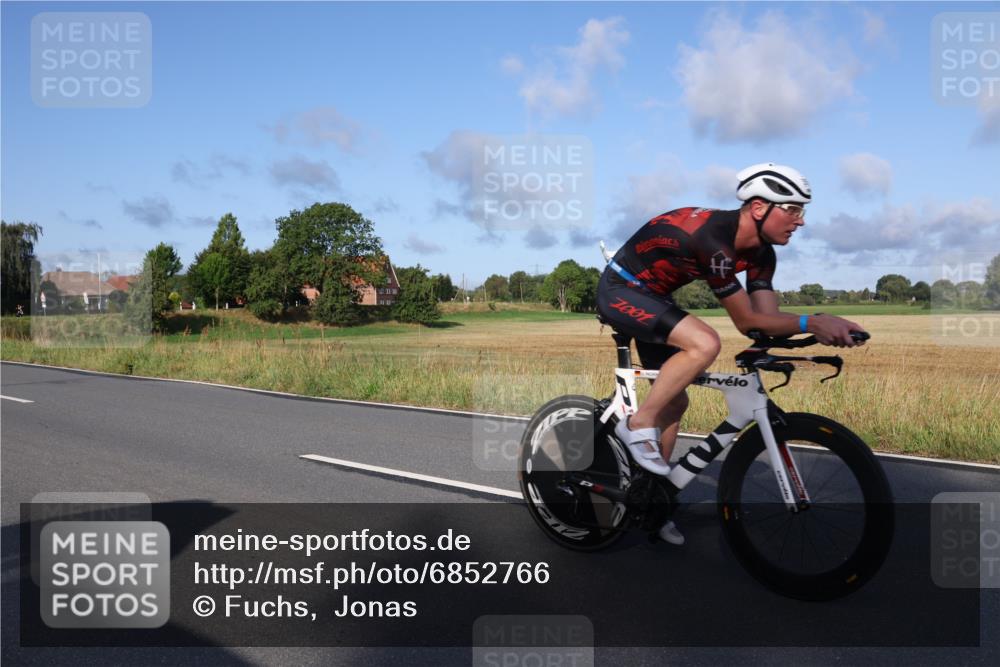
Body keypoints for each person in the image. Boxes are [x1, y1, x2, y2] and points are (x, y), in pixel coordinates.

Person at [596, 162, 867, 545]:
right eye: (792, 209)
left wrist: (820, 327)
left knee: (675, 402)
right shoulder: (714, 239)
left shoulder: (763, 255)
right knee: (705, 343)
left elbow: (764, 320)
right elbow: (745, 321)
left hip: (656, 297)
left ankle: (653, 498)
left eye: (802, 210)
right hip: (621, 290)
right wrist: (813, 321)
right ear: (759, 208)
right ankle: (639, 423)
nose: (800, 221)